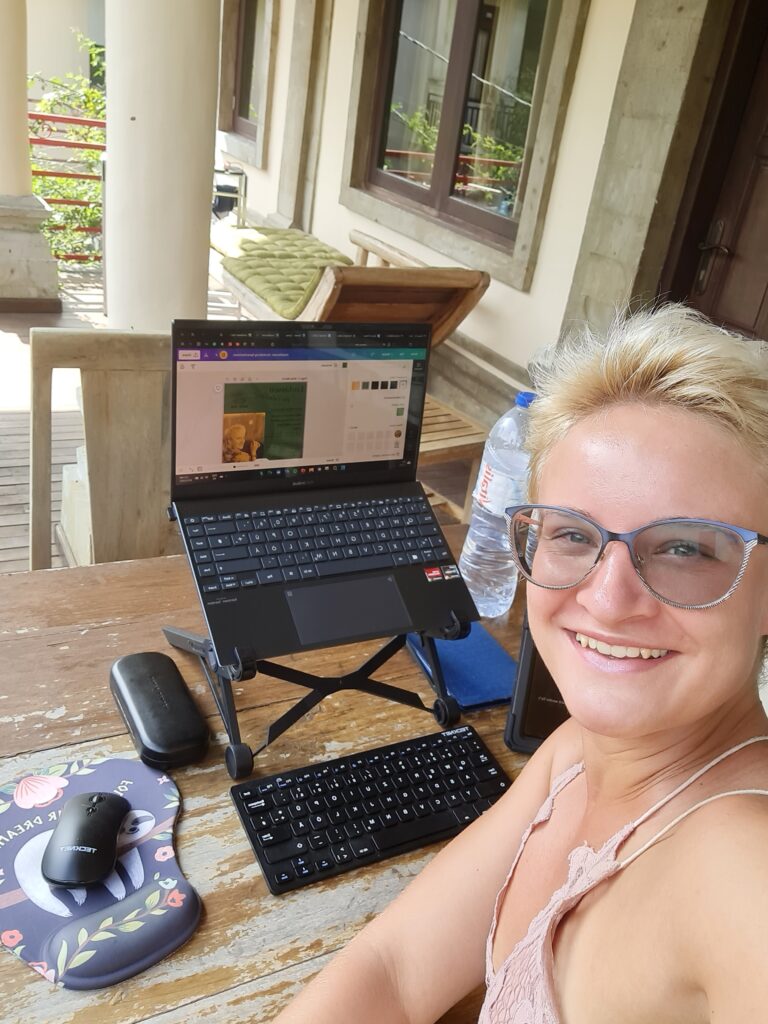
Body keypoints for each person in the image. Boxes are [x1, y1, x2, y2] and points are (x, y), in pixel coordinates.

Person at [272, 304, 768, 1024]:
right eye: (572, 533)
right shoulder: (576, 754)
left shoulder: (741, 869)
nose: (607, 597)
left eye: (686, 548)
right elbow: (396, 968)